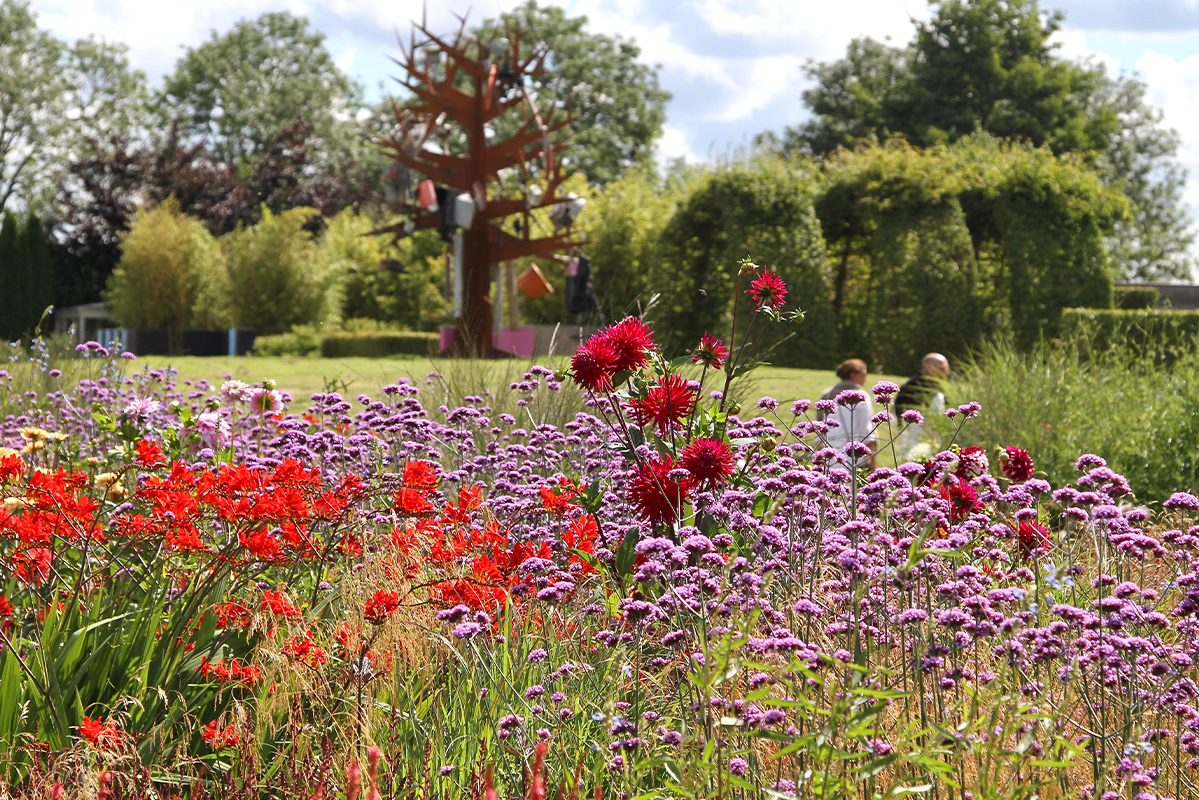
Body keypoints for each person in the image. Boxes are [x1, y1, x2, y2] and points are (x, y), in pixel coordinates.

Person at [818, 358, 877, 468]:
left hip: (830, 457)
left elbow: (819, 429)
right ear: (853, 375)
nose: (865, 378)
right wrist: (873, 461)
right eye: (864, 374)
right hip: (855, 458)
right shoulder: (861, 396)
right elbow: (867, 430)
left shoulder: (826, 394)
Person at [895, 353, 949, 458]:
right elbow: (934, 424)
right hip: (923, 447)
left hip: (905, 446)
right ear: (929, 367)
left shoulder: (906, 387)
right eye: (942, 369)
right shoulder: (933, 392)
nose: (946, 373)